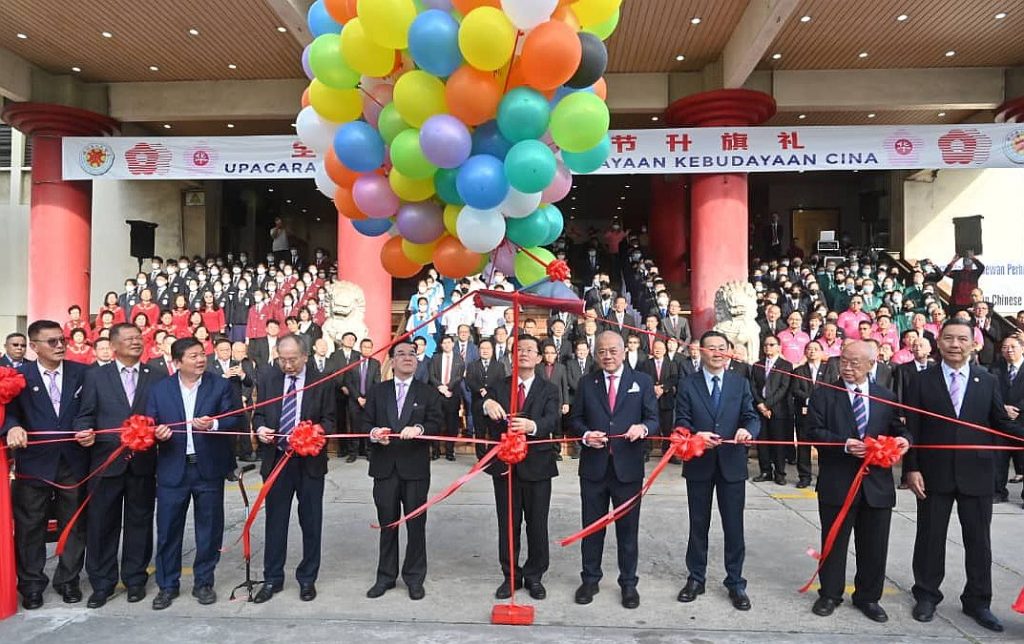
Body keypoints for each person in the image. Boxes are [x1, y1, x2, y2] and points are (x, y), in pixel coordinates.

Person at [903, 319, 1020, 632]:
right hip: (933, 472)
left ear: (974, 344)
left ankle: (978, 601)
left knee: (979, 541)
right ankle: (926, 594)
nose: (955, 344)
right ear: (939, 342)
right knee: (930, 537)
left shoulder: (988, 380)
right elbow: (912, 427)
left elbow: (1000, 422)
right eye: (949, 338)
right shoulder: (921, 380)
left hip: (977, 472)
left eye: (962, 339)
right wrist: (912, 468)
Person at [807, 341, 910, 622]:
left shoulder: (885, 396)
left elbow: (899, 429)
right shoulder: (824, 394)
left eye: (855, 362)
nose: (848, 367)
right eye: (844, 361)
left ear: (871, 365)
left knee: (874, 545)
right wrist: (843, 444)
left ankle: (868, 597)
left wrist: (904, 440)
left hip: (876, 485)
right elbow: (812, 432)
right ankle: (830, 594)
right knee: (834, 542)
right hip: (837, 481)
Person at [146, 337, 242, 610]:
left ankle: (204, 582)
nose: (201, 360)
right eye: (193, 356)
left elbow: (235, 417)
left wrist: (214, 425)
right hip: (172, 469)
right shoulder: (160, 389)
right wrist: (157, 432)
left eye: (202, 354)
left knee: (209, 530)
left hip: (208, 468)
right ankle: (167, 585)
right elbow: (149, 421)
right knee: (168, 530)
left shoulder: (219, 385)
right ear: (177, 362)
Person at [1, 320, 90, 609]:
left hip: (73, 461)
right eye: (52, 341)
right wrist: (12, 427)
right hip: (34, 462)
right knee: (30, 526)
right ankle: (31, 585)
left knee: (73, 524)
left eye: (62, 340)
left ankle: (68, 580)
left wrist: (85, 427)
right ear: (34, 346)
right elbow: (9, 412)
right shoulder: (19, 377)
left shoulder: (82, 373)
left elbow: (90, 409)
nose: (60, 345)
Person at [568, 331, 659, 609]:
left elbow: (653, 419)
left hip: (627, 469)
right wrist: (586, 436)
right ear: (595, 354)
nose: (607, 356)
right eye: (602, 352)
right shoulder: (587, 383)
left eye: (612, 351)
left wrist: (642, 428)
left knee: (628, 530)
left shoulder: (641, 381)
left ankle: (628, 583)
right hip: (594, 468)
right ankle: (590, 579)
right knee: (592, 528)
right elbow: (575, 420)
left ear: (624, 351)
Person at [72, 323, 160, 607]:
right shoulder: (96, 376)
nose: (136, 342)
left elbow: (163, 415)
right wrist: (83, 431)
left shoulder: (156, 375)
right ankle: (102, 583)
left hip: (143, 463)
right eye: (129, 339)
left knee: (140, 522)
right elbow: (85, 414)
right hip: (106, 463)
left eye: (138, 337)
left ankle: (135, 579)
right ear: (113, 346)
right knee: (101, 524)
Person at [674, 330, 760, 611]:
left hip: (732, 465)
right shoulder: (688, 384)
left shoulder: (739, 382)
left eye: (721, 347)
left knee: (734, 526)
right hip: (699, 463)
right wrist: (696, 435)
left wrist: (748, 430)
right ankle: (695, 578)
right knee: (698, 524)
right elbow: (681, 420)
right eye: (710, 347)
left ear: (729, 351)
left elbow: (751, 415)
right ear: (701, 351)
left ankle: (735, 582)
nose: (716, 352)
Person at [250, 335, 335, 603]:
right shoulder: (269, 379)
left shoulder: (321, 382)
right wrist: (260, 429)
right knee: (275, 522)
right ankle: (272, 578)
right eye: (282, 360)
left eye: (293, 360)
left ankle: (307, 578)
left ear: (305, 357)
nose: (287, 365)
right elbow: (259, 414)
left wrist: (313, 432)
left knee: (311, 522)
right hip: (277, 460)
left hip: (309, 463)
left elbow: (331, 420)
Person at [478, 335, 560, 600]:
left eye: (529, 350)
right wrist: (486, 404)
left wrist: (532, 426)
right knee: (508, 524)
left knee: (537, 524)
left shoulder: (549, 389)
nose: (523, 353)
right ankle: (510, 576)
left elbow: (552, 420)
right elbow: (479, 412)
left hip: (538, 466)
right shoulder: (498, 386)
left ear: (539, 357)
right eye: (519, 350)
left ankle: (534, 576)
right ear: (512, 356)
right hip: (505, 467)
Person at [362, 340, 442, 601]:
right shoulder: (378, 391)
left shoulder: (427, 392)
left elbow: (436, 423)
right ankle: (385, 576)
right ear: (392, 361)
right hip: (384, 467)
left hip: (415, 468)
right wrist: (374, 433)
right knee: (388, 524)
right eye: (401, 354)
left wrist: (420, 429)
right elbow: (364, 422)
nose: (408, 358)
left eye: (412, 354)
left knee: (416, 526)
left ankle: (414, 578)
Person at [751, 335, 793, 484]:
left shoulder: (786, 365)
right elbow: (753, 386)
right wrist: (760, 405)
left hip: (778, 409)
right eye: (766, 345)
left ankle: (780, 473)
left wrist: (768, 405)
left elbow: (784, 388)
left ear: (779, 347)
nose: (768, 347)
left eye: (771, 344)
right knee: (762, 442)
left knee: (778, 443)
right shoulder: (757, 365)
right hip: (760, 409)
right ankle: (765, 471)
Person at [208, 338, 255, 465]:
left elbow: (249, 383)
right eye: (222, 350)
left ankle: (234, 463)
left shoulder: (237, 363)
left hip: (236, 405)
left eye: (228, 350)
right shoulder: (210, 365)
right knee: (223, 438)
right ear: (216, 351)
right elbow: (207, 385)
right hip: (218, 407)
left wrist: (242, 374)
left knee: (235, 436)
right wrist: (224, 376)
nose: (225, 352)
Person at [791, 340, 827, 488]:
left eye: (815, 349)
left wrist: (818, 401)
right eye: (809, 349)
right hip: (804, 414)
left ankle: (824, 477)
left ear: (821, 352)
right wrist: (808, 399)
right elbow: (795, 389)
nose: (812, 351)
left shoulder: (828, 369)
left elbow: (831, 387)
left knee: (824, 447)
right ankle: (804, 477)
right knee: (803, 447)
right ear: (805, 352)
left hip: (823, 415)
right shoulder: (799, 371)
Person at [992, 335, 1024, 504]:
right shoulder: (995, 368)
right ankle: (998, 492)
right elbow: (991, 391)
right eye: (1005, 347)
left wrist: (1018, 408)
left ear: (1022, 349)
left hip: (1022, 420)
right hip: (1001, 421)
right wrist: (1003, 408)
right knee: (999, 459)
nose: (1009, 350)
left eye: (1013, 347)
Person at [639, 339, 678, 462]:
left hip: (666, 400)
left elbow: (674, 378)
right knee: (648, 426)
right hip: (650, 400)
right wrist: (653, 388)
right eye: (656, 348)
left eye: (661, 348)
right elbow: (642, 378)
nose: (658, 350)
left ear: (665, 350)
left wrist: (663, 388)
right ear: (652, 349)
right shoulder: (646, 364)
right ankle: (646, 452)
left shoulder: (671, 363)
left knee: (667, 428)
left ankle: (667, 453)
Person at [344, 338, 382, 462]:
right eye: (365, 347)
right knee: (354, 427)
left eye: (369, 347)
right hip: (354, 400)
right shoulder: (352, 362)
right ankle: (353, 453)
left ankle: (369, 452)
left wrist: (367, 399)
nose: (367, 349)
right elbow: (348, 382)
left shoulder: (375, 363)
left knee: (369, 426)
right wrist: (358, 398)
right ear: (360, 348)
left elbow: (377, 383)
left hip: (369, 401)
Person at [428, 335, 465, 461]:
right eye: (444, 343)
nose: (447, 345)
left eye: (449, 342)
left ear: (453, 344)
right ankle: (435, 450)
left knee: (452, 424)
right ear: (441, 345)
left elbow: (459, 376)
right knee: (436, 423)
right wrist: (440, 387)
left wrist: (448, 387)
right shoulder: (435, 358)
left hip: (452, 395)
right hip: (437, 395)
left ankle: (450, 451)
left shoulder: (459, 358)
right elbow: (431, 375)